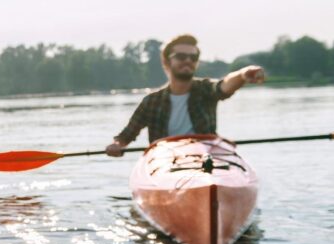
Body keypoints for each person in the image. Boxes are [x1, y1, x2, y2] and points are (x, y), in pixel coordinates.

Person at [105, 34, 266, 156]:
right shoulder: (151, 101)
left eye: (193, 57)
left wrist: (244, 74)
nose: (188, 60)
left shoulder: (205, 89)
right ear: (167, 62)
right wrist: (117, 145)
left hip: (205, 157)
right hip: (165, 161)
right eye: (181, 56)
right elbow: (126, 136)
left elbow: (224, 86)